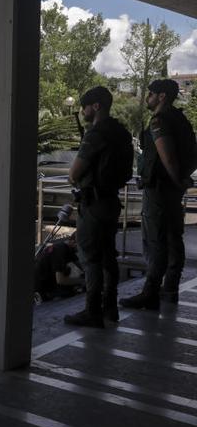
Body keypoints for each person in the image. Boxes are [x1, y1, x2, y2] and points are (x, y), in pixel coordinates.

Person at [121, 79, 196, 310]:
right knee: (174, 238)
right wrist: (182, 180)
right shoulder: (181, 119)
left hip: (160, 189)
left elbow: (168, 157)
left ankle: (150, 292)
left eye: (151, 93)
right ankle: (170, 289)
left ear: (162, 96)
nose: (148, 97)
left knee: (157, 242)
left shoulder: (159, 121)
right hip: (172, 189)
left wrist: (177, 180)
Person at [64, 86, 133, 327]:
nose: (82, 111)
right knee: (108, 257)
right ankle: (110, 308)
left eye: (84, 106)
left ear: (96, 106)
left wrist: (76, 178)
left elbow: (74, 174)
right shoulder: (121, 132)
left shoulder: (96, 134)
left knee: (91, 258)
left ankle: (92, 310)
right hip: (111, 200)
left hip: (93, 204)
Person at [34, 234, 83, 303]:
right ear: (73, 242)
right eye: (82, 245)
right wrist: (83, 281)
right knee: (72, 292)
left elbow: (82, 266)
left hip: (47, 281)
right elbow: (60, 280)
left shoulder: (70, 250)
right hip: (40, 288)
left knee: (68, 271)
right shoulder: (61, 249)